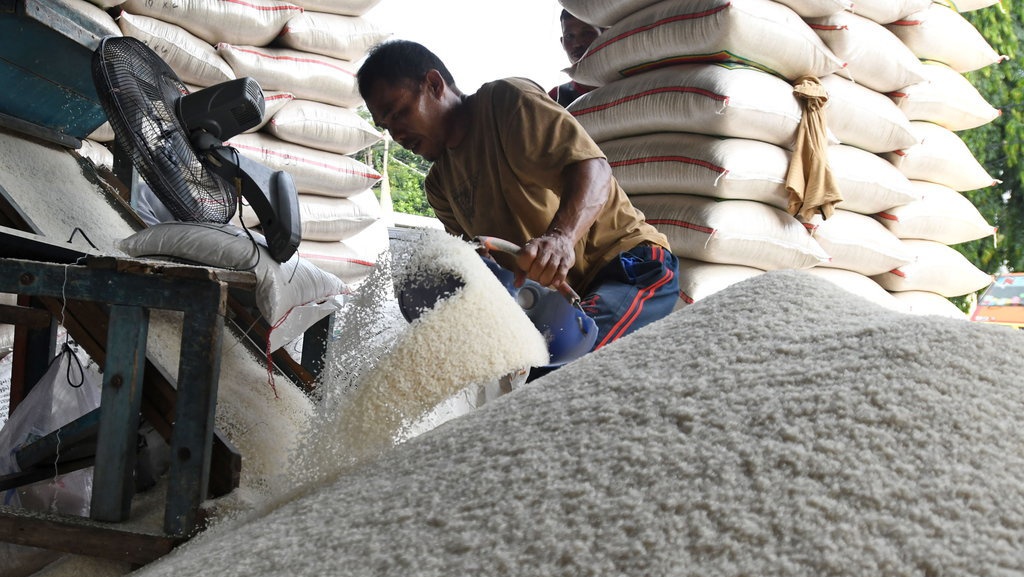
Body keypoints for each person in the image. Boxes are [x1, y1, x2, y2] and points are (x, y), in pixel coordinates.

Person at [356, 39, 679, 373]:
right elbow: (479, 266)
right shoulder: (439, 185)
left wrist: (561, 238)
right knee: (516, 374)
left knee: (559, 371)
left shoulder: (505, 103)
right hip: (564, 304)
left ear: (435, 85)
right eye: (386, 126)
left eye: (400, 113)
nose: (397, 135)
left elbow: (595, 170)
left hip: (629, 267)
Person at [548, 10, 602, 107]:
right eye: (569, 36)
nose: (577, 43)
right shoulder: (555, 98)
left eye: (587, 33)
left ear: (605, 35)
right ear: (562, 43)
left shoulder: (625, 85)